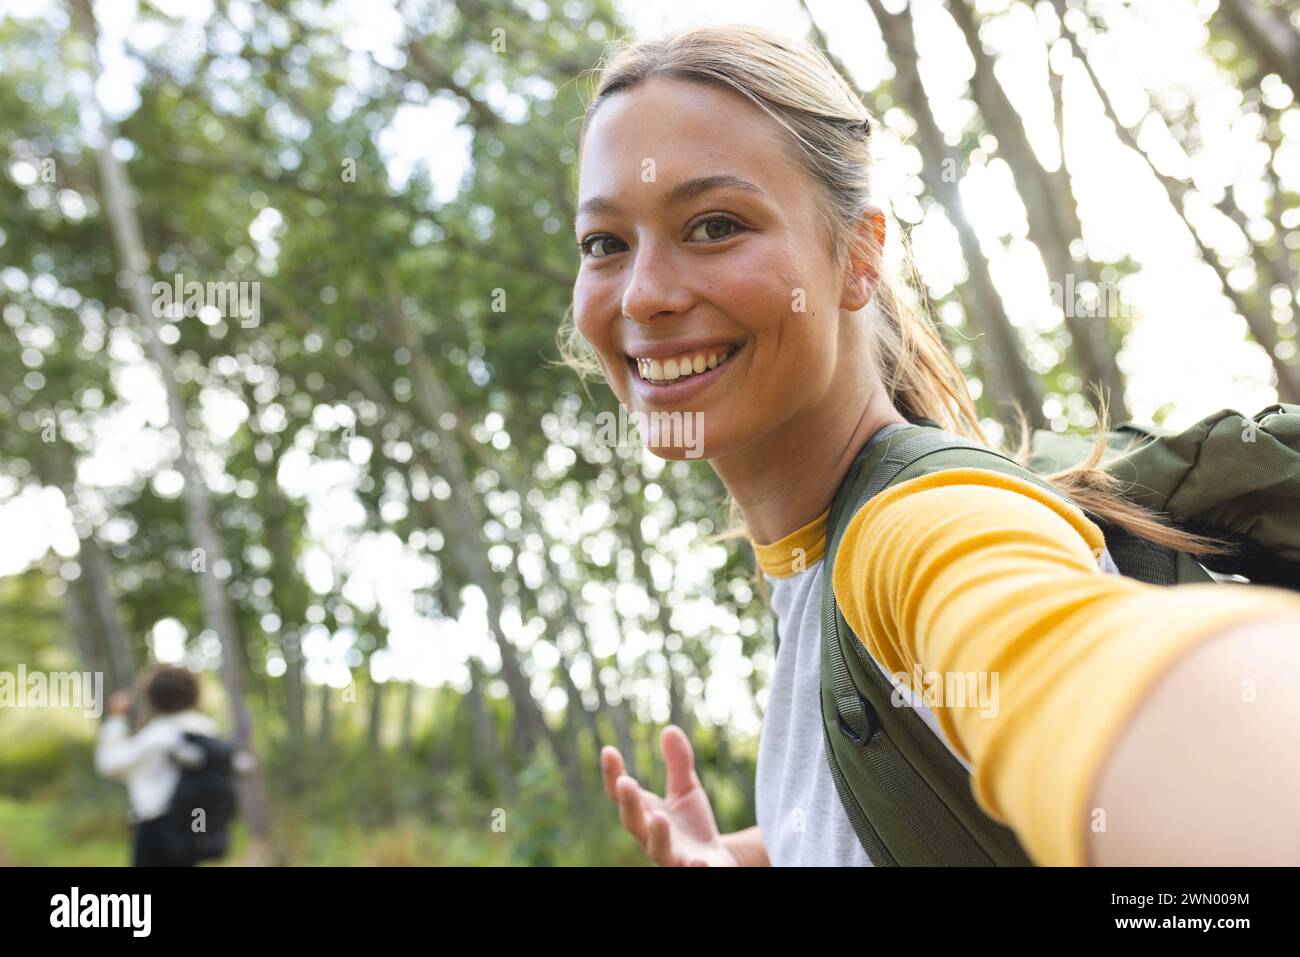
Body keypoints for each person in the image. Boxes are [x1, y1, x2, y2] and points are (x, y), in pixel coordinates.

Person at [565, 24, 1300, 866]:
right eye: (605, 243)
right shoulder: (814, 557)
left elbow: (1137, 708)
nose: (646, 293)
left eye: (715, 225)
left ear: (860, 256)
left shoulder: (918, 535)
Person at [95, 664, 221, 866]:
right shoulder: (207, 729)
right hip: (195, 827)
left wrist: (117, 719)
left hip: (158, 832)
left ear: (152, 697)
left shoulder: (158, 735)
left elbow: (109, 764)